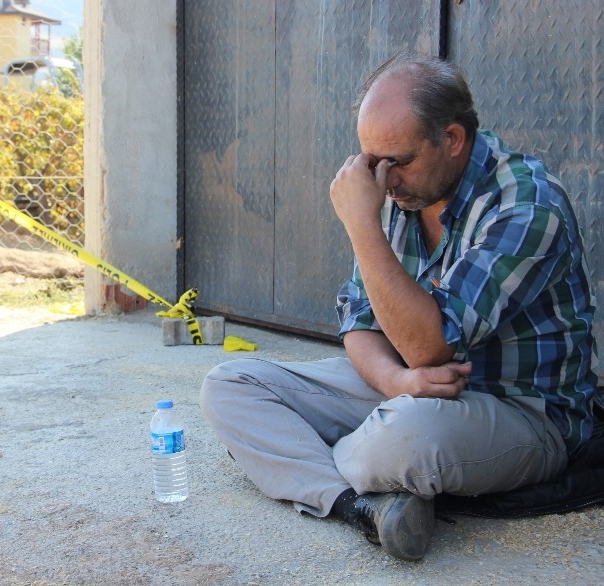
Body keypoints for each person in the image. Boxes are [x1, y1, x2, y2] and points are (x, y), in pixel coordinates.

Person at [199, 52, 599, 561]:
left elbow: (431, 346)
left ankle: (308, 465)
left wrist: (360, 226)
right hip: (412, 390)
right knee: (230, 388)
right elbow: (359, 322)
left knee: (404, 439)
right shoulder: (403, 193)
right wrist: (395, 383)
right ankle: (359, 505)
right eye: (372, 162)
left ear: (452, 140)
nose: (384, 181)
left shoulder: (526, 207)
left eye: (398, 162)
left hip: (523, 414)